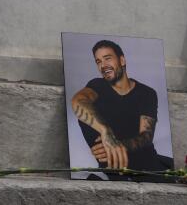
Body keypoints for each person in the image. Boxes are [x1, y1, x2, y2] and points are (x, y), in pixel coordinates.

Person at [71, 40, 173, 181]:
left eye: (108, 58)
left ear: (122, 60)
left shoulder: (147, 93)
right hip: (114, 173)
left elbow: (146, 137)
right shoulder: (97, 86)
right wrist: (106, 132)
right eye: (98, 61)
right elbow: (78, 101)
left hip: (149, 168)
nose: (103, 65)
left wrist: (117, 144)